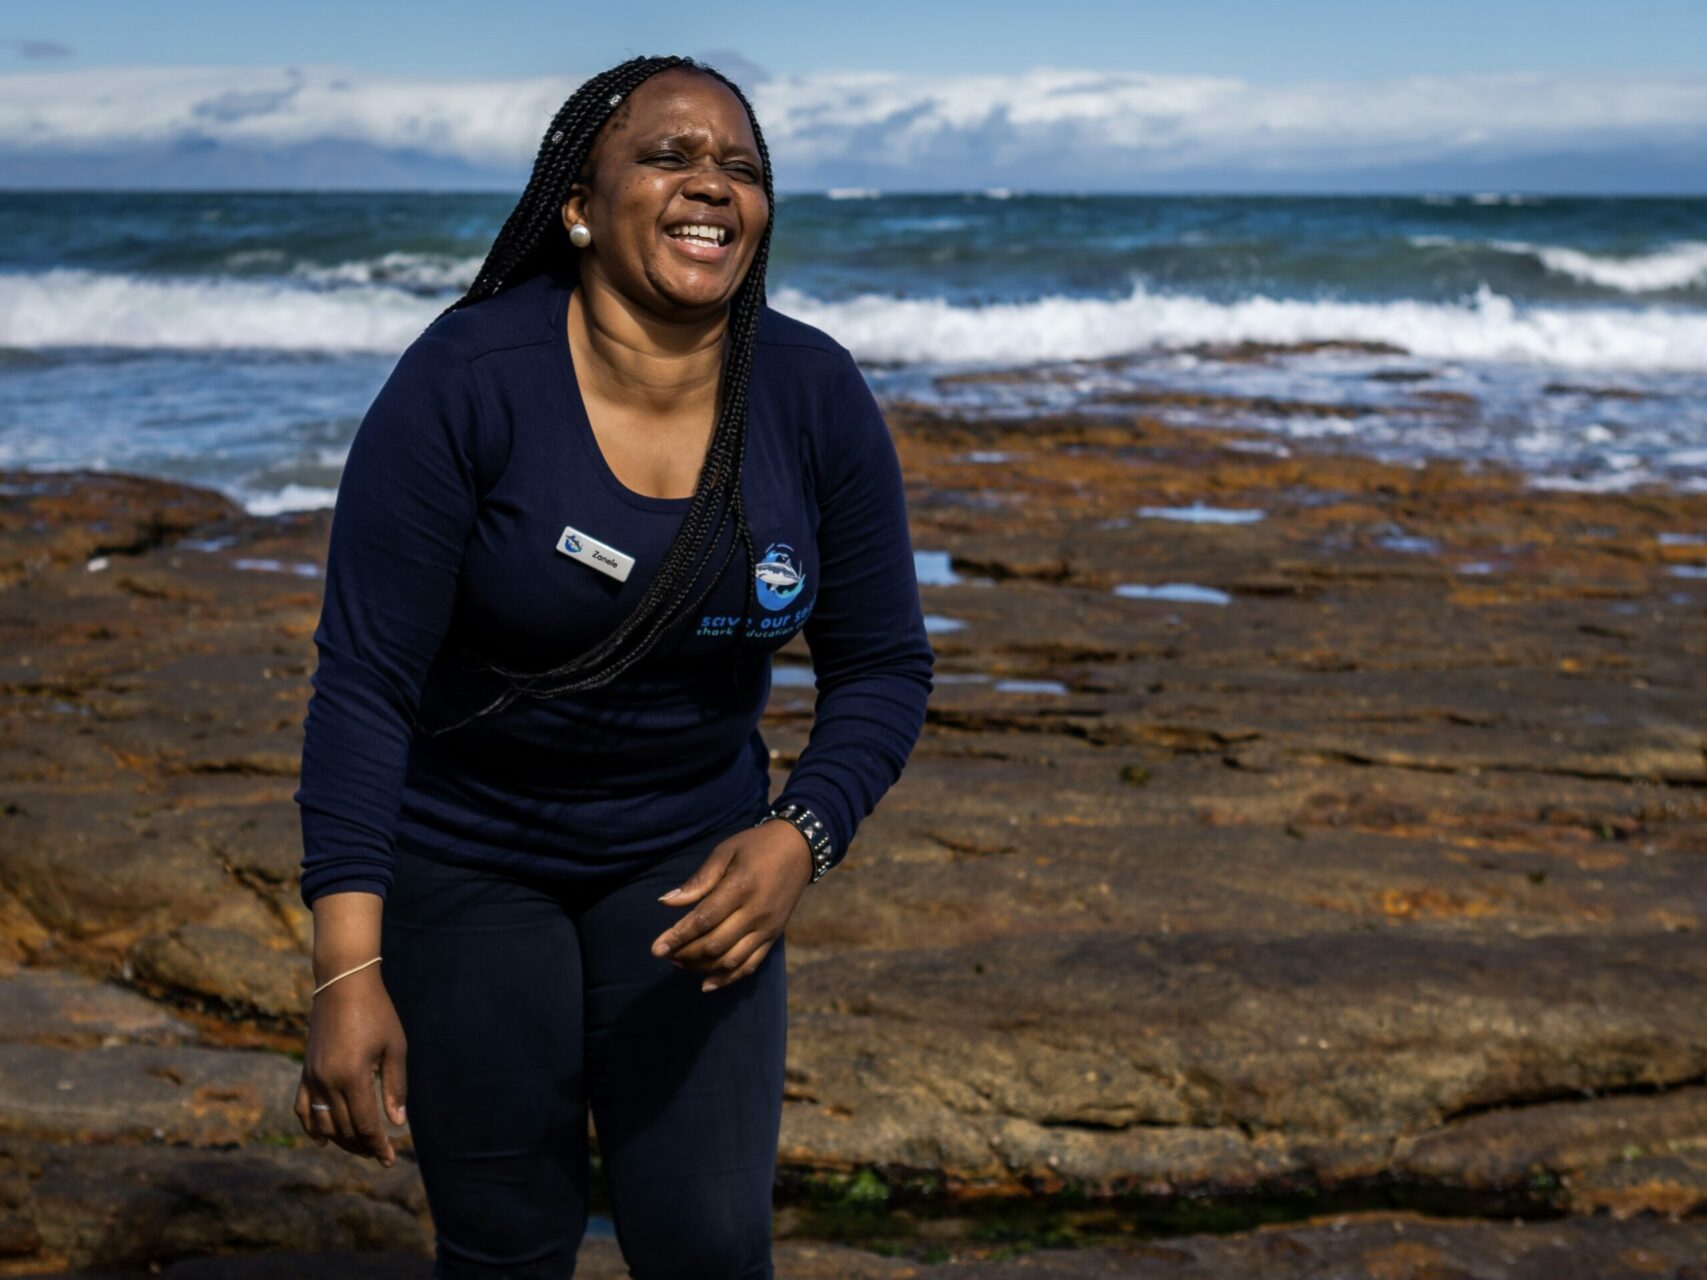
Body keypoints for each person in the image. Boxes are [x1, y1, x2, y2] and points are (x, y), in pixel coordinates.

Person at [289, 54, 934, 1279]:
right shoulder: (467, 383)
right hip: (468, 861)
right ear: (579, 204)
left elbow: (887, 666)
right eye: (670, 156)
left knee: (707, 1244)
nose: (713, 185)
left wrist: (801, 831)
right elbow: (366, 683)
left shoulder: (811, 393)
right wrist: (347, 969)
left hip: (687, 866)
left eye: (742, 168)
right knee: (508, 1243)